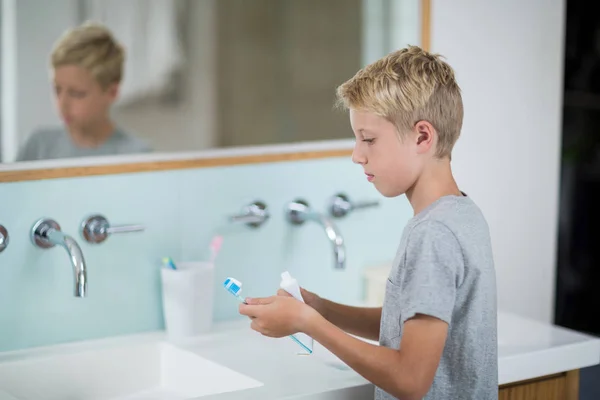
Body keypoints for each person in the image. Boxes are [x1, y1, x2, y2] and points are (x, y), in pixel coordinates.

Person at [239, 45, 498, 400]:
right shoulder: (462, 213)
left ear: (423, 136)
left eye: (369, 139)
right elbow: (408, 326)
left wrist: (307, 324)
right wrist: (321, 310)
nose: (357, 155)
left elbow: (410, 380)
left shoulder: (432, 234)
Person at [17, 22, 151, 162]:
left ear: (112, 92)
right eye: (57, 90)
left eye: (76, 93)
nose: (62, 105)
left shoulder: (137, 157)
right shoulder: (38, 148)